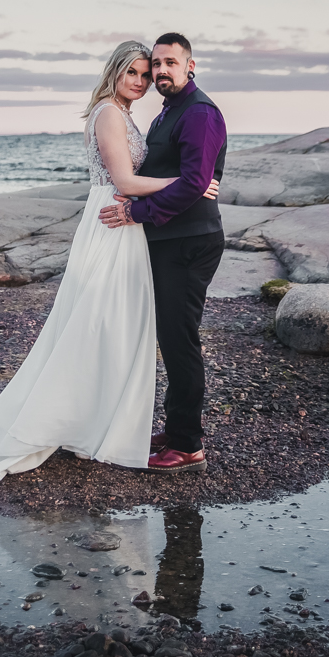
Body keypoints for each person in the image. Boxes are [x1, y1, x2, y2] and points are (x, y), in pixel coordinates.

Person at [0, 40, 219, 483]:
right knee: (94, 324)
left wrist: (181, 186)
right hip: (113, 223)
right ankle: (71, 421)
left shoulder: (158, 113)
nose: (143, 80)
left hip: (135, 227)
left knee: (119, 328)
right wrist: (187, 183)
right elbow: (125, 180)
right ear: (115, 72)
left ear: (187, 66)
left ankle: (120, 427)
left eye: (150, 71)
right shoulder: (110, 113)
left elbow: (143, 177)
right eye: (136, 71)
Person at [98, 32, 226, 474]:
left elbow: (194, 184)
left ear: (190, 66)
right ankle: (175, 429)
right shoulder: (168, 113)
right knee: (170, 338)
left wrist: (136, 212)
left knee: (179, 339)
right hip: (169, 239)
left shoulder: (200, 113)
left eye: (171, 62)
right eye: (156, 64)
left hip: (190, 241)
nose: (160, 71)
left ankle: (188, 444)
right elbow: (173, 175)